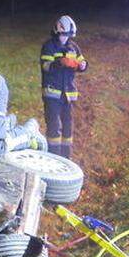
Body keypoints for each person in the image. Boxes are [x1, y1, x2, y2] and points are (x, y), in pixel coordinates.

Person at [39, 15, 88, 158]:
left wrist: (83, 66)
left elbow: (82, 63)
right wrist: (60, 62)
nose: (65, 38)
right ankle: (53, 157)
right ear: (57, 31)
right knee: (54, 126)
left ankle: (67, 158)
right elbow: (45, 66)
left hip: (68, 95)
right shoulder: (49, 46)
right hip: (52, 94)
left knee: (68, 127)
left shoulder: (74, 47)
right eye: (64, 35)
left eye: (68, 35)